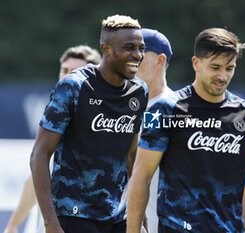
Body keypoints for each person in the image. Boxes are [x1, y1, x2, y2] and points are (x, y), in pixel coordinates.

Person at [127, 27, 245, 233]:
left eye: (229, 68)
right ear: (196, 63)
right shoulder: (165, 109)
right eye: (215, 67)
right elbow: (141, 176)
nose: (222, 76)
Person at [29, 14, 148, 233]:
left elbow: (131, 155)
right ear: (106, 49)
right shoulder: (73, 86)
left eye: (141, 48)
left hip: (118, 216)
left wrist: (138, 212)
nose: (137, 55)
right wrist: (50, 222)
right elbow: (39, 154)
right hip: (74, 215)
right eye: (129, 47)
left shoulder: (140, 91)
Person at [3, 45, 101, 233]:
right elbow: (37, 177)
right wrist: (13, 225)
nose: (67, 76)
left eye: (75, 71)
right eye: (64, 70)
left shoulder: (105, 123)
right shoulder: (57, 119)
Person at [135, 28, 173, 233]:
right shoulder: (122, 106)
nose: (132, 56)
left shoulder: (176, 109)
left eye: (141, 52)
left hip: (160, 225)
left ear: (160, 61)